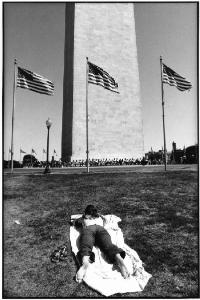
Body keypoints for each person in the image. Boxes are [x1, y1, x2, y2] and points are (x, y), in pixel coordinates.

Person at [73, 205, 130, 283]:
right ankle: (118, 257)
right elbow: (106, 220)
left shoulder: (83, 218)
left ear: (86, 213)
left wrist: (82, 218)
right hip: (101, 229)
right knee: (109, 245)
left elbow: (75, 222)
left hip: (89, 229)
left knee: (86, 245)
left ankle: (85, 261)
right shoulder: (100, 217)